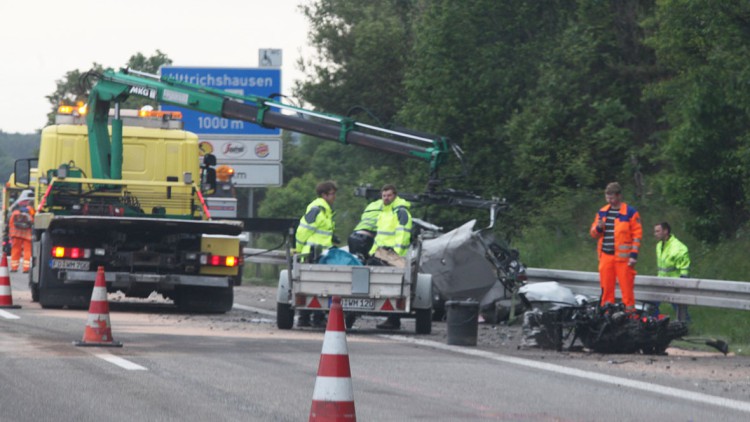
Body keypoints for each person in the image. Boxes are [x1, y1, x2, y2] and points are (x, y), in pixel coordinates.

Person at [590, 182, 642, 312]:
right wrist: (598, 228)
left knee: (627, 291)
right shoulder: (602, 212)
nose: (609, 200)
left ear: (619, 196)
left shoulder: (630, 213)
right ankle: (606, 317)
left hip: (624, 260)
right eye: (607, 198)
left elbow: (637, 235)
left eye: (612, 197)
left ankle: (630, 318)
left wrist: (634, 255)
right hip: (606, 257)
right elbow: (593, 233)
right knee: (606, 290)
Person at [295, 181, 338, 327]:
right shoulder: (317, 209)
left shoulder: (325, 210)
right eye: (332, 194)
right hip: (313, 254)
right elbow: (303, 231)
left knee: (320, 286)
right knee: (316, 287)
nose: (335, 197)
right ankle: (311, 318)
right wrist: (299, 250)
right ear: (324, 195)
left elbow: (322, 232)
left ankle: (309, 318)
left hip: (322, 254)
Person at [370, 184, 412, 329]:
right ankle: (392, 320)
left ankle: (393, 320)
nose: (386, 198)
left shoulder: (400, 211)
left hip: (393, 255)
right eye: (384, 196)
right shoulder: (384, 211)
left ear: (395, 195)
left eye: (389, 195)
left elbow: (403, 233)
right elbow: (380, 235)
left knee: (393, 287)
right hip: (382, 253)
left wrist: (396, 254)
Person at [653, 222, 691, 321]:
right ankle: (656, 324)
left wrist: (683, 281)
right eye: (655, 231)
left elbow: (684, 267)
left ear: (665, 231)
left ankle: (686, 326)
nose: (655, 234)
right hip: (661, 282)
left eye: (658, 231)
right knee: (652, 305)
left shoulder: (678, 247)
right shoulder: (659, 245)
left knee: (680, 308)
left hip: (675, 283)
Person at [9, 203, 34, 273]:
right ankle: (26, 268)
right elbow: (32, 222)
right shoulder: (30, 211)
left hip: (16, 234)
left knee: (15, 250)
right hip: (27, 234)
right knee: (27, 251)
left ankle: (14, 268)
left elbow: (11, 223)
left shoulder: (14, 213)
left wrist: (10, 234)